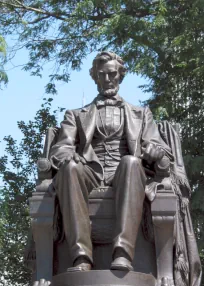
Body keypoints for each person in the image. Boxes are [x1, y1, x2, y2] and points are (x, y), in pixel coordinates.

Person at [50, 51, 171, 272]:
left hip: (125, 173)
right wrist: (69, 155)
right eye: (102, 75)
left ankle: (123, 253)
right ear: (95, 76)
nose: (107, 79)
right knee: (70, 168)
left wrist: (155, 150)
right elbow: (61, 148)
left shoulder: (141, 114)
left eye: (112, 74)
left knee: (131, 162)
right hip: (90, 172)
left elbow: (161, 148)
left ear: (120, 76)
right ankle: (81, 257)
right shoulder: (75, 115)